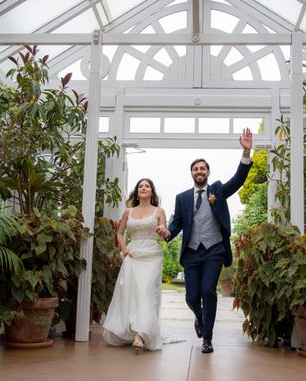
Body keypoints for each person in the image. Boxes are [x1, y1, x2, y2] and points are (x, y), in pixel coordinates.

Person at [156, 128, 253, 353]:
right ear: (191, 173)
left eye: (202, 168)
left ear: (208, 172)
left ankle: (207, 339)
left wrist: (246, 152)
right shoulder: (182, 198)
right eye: (195, 169)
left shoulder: (217, 190)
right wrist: (167, 232)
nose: (199, 171)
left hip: (214, 250)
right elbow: (176, 224)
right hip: (191, 252)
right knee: (192, 297)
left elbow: (238, 180)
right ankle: (199, 318)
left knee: (208, 291)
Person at [103, 178, 168, 352]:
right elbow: (119, 233)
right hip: (132, 254)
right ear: (137, 191)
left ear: (152, 191)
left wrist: (163, 231)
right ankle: (132, 331)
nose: (144, 188)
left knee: (147, 291)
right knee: (131, 292)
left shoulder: (159, 211)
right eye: (141, 186)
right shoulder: (128, 212)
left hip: (151, 255)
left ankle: (141, 334)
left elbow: (163, 233)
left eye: (147, 186)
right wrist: (125, 250)